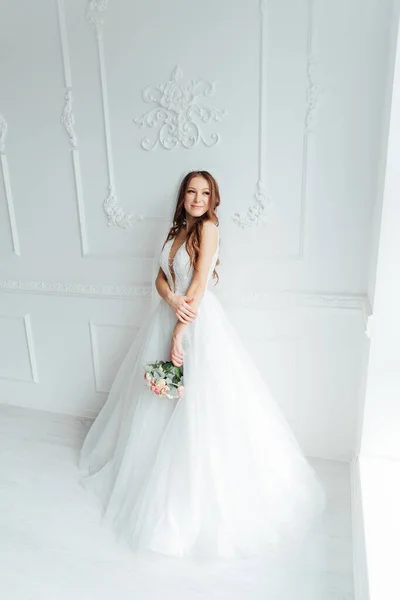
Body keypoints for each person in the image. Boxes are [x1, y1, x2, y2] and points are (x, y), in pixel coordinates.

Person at [79, 170, 325, 559]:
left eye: (205, 193)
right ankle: (149, 473)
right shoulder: (177, 228)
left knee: (200, 403)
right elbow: (161, 277)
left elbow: (198, 284)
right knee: (160, 401)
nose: (198, 198)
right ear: (183, 196)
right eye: (192, 192)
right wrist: (169, 301)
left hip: (196, 322)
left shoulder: (208, 227)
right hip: (170, 315)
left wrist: (180, 327)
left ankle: (193, 489)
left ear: (213, 199)